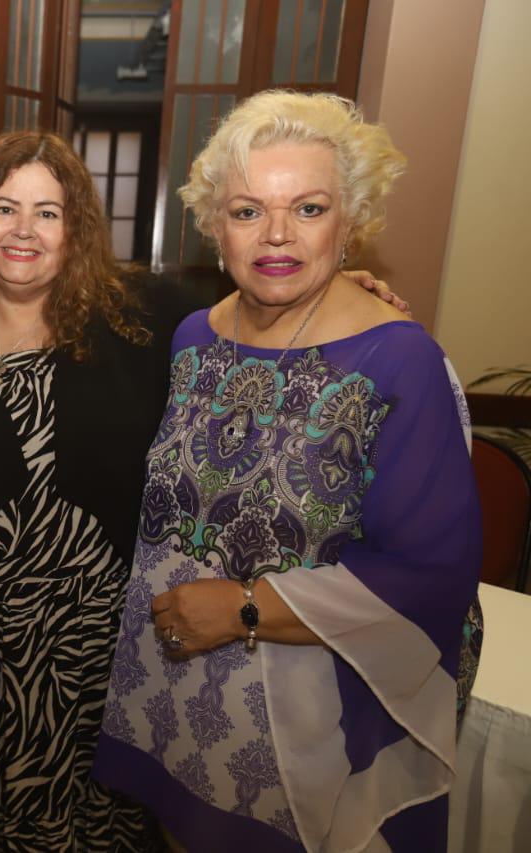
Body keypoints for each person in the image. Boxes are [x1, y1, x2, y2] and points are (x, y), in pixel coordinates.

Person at [92, 90, 481, 851]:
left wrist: (243, 608)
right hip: (179, 701)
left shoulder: (400, 359)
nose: (277, 234)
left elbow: (432, 573)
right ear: (216, 227)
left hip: (315, 728)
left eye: (308, 208)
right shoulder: (193, 337)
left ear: (350, 221)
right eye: (248, 211)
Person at [0, 130, 190, 850]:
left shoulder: (143, 323)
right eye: (4, 207)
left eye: (48, 213)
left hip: (90, 665)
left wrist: (336, 289)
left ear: (75, 232)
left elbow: (253, 321)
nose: (24, 229)